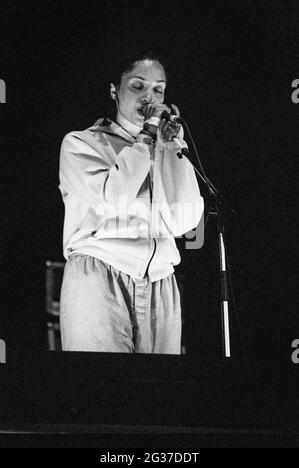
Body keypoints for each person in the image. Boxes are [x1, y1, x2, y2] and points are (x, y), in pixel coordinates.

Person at [58, 48, 204, 354]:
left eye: (158, 89)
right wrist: (144, 140)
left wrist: (173, 147)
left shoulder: (164, 148)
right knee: (104, 389)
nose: (148, 98)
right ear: (115, 90)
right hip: (101, 274)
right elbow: (114, 200)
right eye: (138, 86)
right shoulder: (82, 143)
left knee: (158, 392)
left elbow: (186, 219)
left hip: (161, 282)